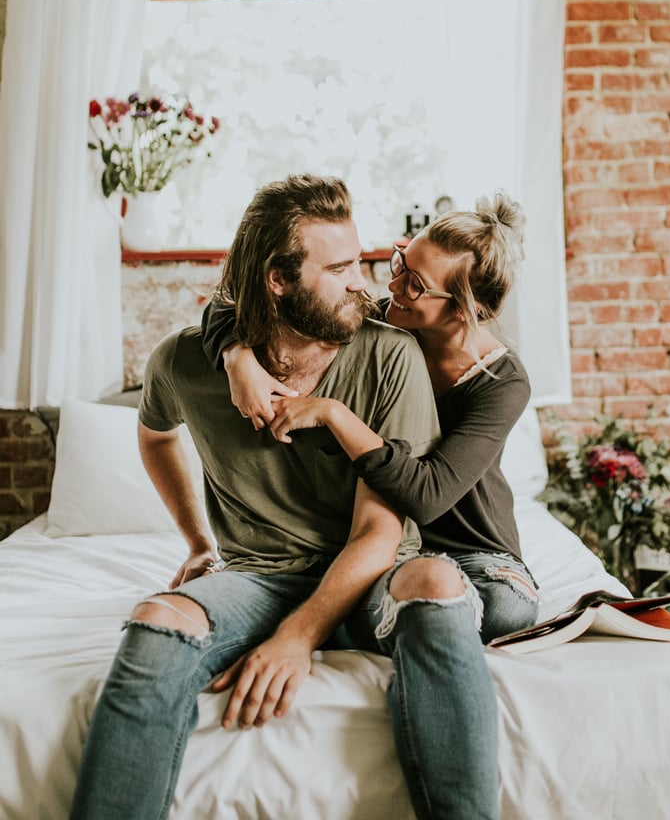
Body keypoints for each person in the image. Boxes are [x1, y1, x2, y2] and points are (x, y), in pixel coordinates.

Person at [69, 174, 445, 820]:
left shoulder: (389, 355)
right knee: (156, 623)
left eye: (360, 260)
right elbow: (156, 437)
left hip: (370, 576)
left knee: (437, 589)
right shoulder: (186, 362)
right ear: (278, 278)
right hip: (258, 575)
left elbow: (378, 534)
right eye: (341, 267)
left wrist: (297, 637)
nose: (363, 280)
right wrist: (195, 542)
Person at [202, 190, 540, 820]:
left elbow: (428, 491)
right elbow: (229, 302)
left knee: (464, 603)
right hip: (400, 561)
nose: (392, 285)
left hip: (484, 565)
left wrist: (334, 414)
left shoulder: (501, 382)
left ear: (462, 309)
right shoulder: (388, 321)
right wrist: (237, 357)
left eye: (415, 283)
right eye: (399, 260)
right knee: (387, 591)